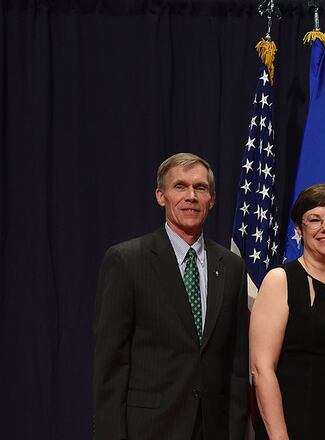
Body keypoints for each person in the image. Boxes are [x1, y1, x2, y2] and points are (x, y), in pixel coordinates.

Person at [93, 153, 248, 439]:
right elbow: (111, 366)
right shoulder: (127, 261)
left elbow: (236, 366)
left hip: (213, 429)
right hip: (149, 429)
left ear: (211, 200)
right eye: (180, 186)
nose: (191, 196)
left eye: (200, 188)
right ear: (160, 196)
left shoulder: (232, 267)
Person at [249, 183, 325, 440]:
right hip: (293, 428)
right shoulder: (280, 280)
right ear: (299, 229)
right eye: (314, 220)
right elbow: (261, 369)